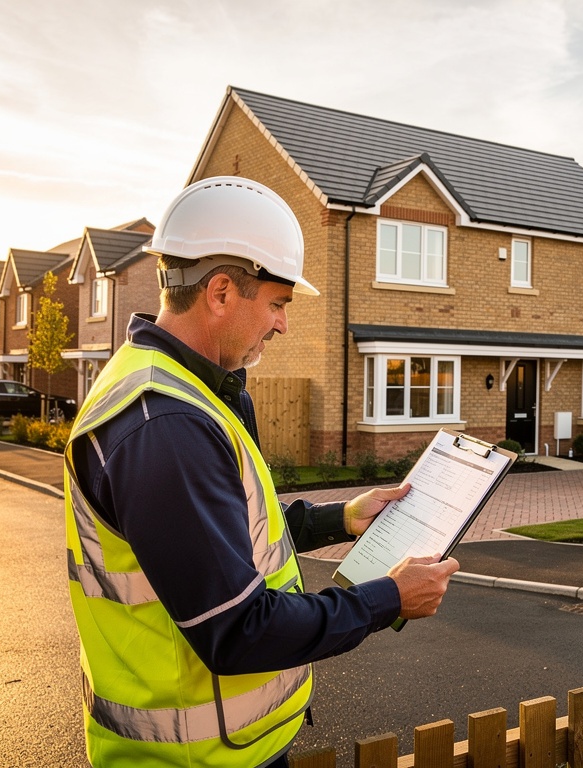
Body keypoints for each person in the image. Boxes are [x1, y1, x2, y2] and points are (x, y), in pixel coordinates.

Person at [64, 176, 459, 768]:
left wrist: (341, 518)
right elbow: (239, 629)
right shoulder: (164, 425)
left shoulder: (180, 387)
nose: (283, 325)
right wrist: (388, 599)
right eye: (277, 303)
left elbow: (224, 538)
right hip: (193, 760)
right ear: (221, 291)